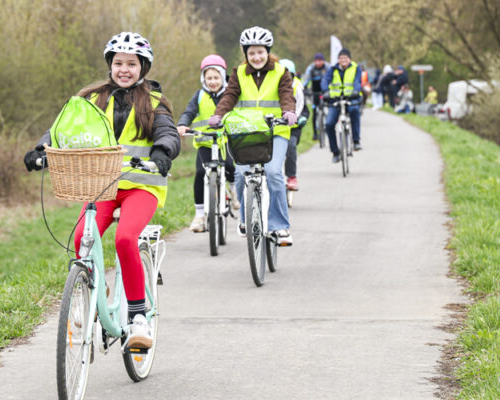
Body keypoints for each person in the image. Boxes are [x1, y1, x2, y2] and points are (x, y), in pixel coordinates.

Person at [23, 32, 180, 349]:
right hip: (100, 185)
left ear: (143, 68)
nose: (124, 69)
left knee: (125, 239)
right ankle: (96, 296)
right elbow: (62, 130)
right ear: (110, 65)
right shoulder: (91, 99)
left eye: (131, 64)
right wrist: (42, 149)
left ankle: (137, 316)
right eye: (119, 63)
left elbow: (168, 132)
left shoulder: (154, 102)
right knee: (81, 238)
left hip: (141, 185)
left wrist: (163, 151)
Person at [207, 26, 296, 246]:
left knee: (274, 172)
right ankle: (246, 219)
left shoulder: (280, 71)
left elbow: (286, 94)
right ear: (245, 53)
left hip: (276, 131)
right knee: (240, 174)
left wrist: (289, 111)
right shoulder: (238, 73)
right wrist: (219, 115)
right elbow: (230, 96)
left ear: (268, 51)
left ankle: (280, 226)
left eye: (260, 52)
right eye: (251, 52)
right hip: (248, 131)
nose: (256, 57)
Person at [177, 54, 238, 232]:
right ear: (203, 78)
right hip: (205, 142)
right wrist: (182, 124)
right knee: (200, 172)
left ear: (223, 77)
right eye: (208, 78)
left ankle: (234, 191)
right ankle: (200, 214)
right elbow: (189, 111)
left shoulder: (230, 94)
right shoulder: (200, 95)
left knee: (230, 166)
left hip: (225, 140)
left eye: (216, 77)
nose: (212, 81)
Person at [322, 47, 363, 161]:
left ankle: (356, 141)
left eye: (345, 58)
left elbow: (357, 81)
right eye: (341, 58)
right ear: (338, 59)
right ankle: (335, 152)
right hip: (335, 99)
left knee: (354, 111)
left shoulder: (356, 69)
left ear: (350, 59)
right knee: (329, 124)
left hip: (351, 97)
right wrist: (325, 92)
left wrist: (355, 91)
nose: (343, 60)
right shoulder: (332, 69)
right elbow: (325, 80)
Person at [279, 59, 310, 191]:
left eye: (288, 76)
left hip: (293, 126)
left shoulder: (298, 88)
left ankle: (291, 176)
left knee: (291, 147)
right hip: (275, 126)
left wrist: (297, 118)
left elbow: (301, 107)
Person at [301, 53, 328, 139]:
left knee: (328, 109)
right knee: (315, 113)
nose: (318, 63)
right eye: (316, 61)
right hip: (315, 92)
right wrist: (303, 88)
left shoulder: (327, 67)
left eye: (320, 61)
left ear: (323, 61)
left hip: (325, 92)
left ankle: (327, 126)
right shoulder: (311, 68)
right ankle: (315, 133)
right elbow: (306, 80)